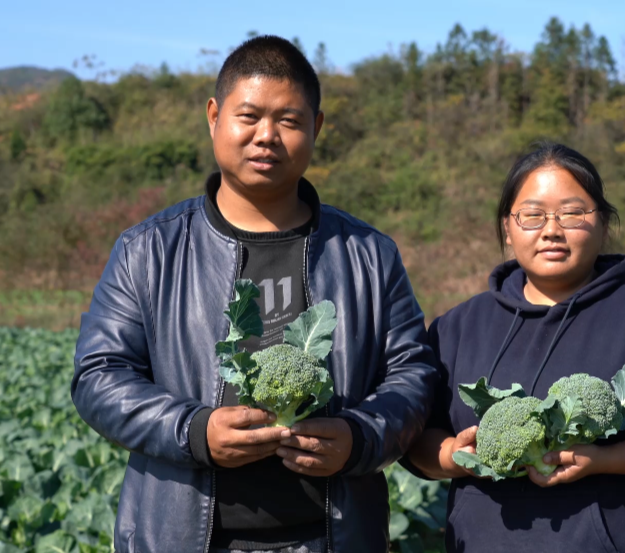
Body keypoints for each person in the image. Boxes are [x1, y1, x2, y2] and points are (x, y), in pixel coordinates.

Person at [72, 35, 437, 553]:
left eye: (289, 120)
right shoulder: (148, 250)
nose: (267, 136)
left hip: (332, 537)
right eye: (249, 116)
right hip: (186, 537)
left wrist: (359, 437)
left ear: (317, 127)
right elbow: (98, 376)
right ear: (214, 116)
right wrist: (193, 431)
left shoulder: (369, 255)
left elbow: (414, 375)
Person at [406, 142, 625, 552]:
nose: (551, 230)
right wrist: (453, 455)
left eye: (572, 213)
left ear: (603, 223)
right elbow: (412, 434)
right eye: (531, 215)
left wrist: (604, 459)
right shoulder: (457, 327)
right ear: (507, 228)